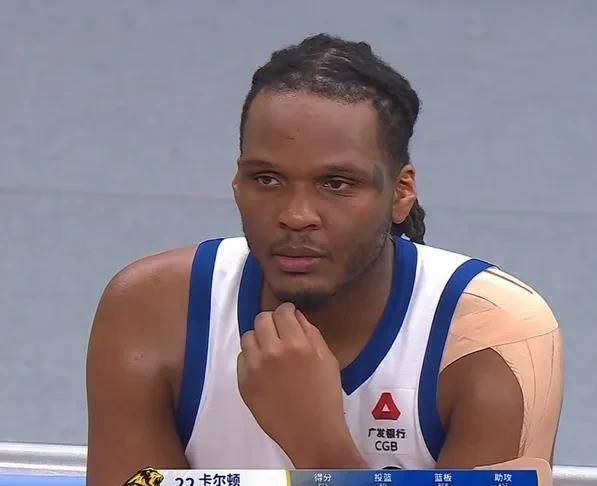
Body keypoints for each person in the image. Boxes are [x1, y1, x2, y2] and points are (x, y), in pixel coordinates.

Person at [86, 34, 563, 485]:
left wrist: (317, 444)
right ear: (237, 183)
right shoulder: (152, 310)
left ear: (401, 192)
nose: (296, 216)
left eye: (336, 184)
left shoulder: (491, 335)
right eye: (267, 179)